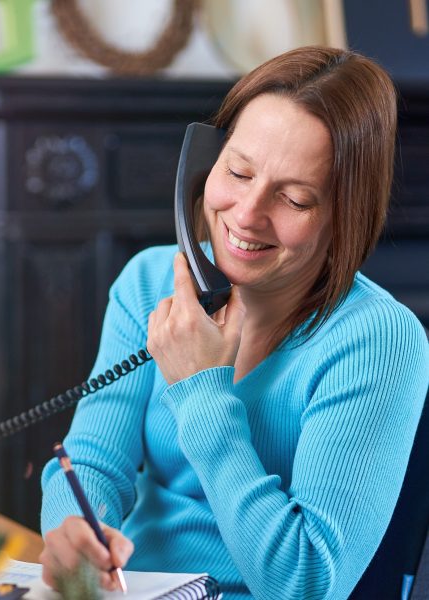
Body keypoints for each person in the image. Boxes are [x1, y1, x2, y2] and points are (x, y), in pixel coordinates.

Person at [39, 46, 429, 599]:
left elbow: (306, 582)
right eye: (238, 171)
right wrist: (72, 529)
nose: (246, 214)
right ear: (205, 162)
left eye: (294, 198)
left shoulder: (379, 341)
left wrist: (201, 389)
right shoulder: (149, 282)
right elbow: (94, 462)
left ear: (346, 211)